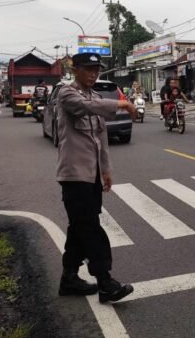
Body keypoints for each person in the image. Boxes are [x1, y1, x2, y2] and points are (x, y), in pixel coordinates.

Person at [55, 53, 137, 302]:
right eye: (88, 69)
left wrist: (106, 170)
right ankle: (105, 282)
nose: (93, 74)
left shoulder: (97, 98)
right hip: (74, 175)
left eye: (96, 69)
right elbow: (86, 107)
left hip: (92, 176)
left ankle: (69, 278)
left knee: (79, 227)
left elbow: (101, 139)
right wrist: (122, 104)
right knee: (90, 228)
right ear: (75, 70)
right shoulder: (67, 94)